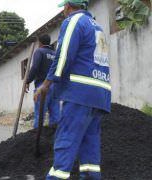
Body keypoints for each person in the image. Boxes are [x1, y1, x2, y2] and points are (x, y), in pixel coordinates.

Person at [34, 0, 111, 179]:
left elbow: (63, 56)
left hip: (79, 94)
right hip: (100, 95)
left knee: (65, 142)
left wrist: (46, 84)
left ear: (68, 6)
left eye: (64, 8)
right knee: (90, 150)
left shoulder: (73, 21)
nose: (63, 11)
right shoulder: (97, 27)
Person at [25, 34, 56, 128]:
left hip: (42, 86)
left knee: (40, 114)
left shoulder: (39, 51)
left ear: (40, 43)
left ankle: (37, 139)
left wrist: (27, 81)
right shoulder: (55, 54)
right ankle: (53, 138)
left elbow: (34, 67)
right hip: (55, 86)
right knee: (55, 115)